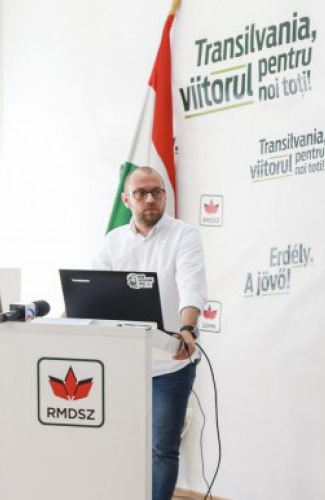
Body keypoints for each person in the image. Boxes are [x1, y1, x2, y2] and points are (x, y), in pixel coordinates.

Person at [92, 166, 207, 500]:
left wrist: (188, 328)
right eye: (140, 193)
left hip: (170, 363)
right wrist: (60, 322)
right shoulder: (113, 241)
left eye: (157, 192)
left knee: (162, 450)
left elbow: (191, 286)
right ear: (126, 200)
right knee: (118, 445)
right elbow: (91, 290)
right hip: (123, 363)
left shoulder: (184, 235)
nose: (150, 199)